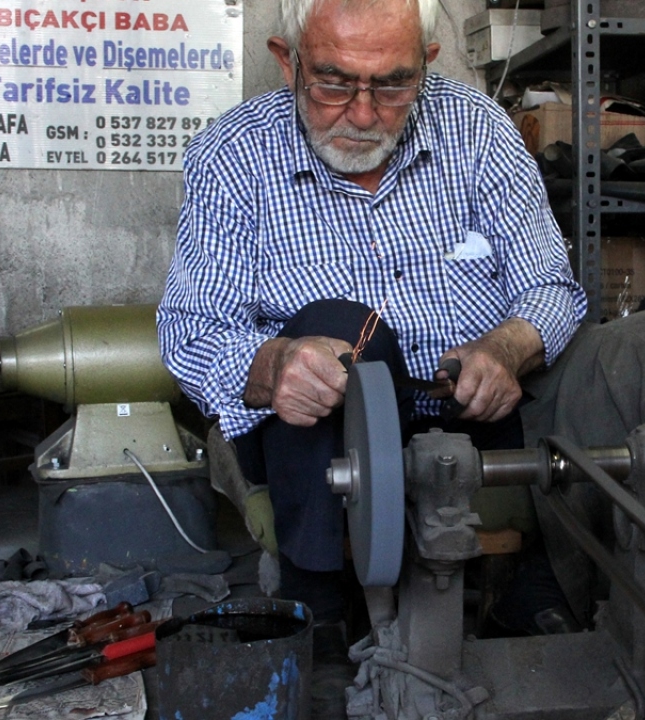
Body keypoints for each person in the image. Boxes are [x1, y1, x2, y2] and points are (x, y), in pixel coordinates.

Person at [158, 0, 587, 638]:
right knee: (341, 332)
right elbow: (191, 329)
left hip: (467, 408)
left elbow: (549, 286)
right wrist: (274, 363)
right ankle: (321, 615)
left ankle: (539, 594)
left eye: (392, 84)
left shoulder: (480, 130)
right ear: (288, 62)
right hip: (318, 432)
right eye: (333, 81)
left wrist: (506, 348)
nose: (363, 114)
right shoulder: (232, 155)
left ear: (427, 65)